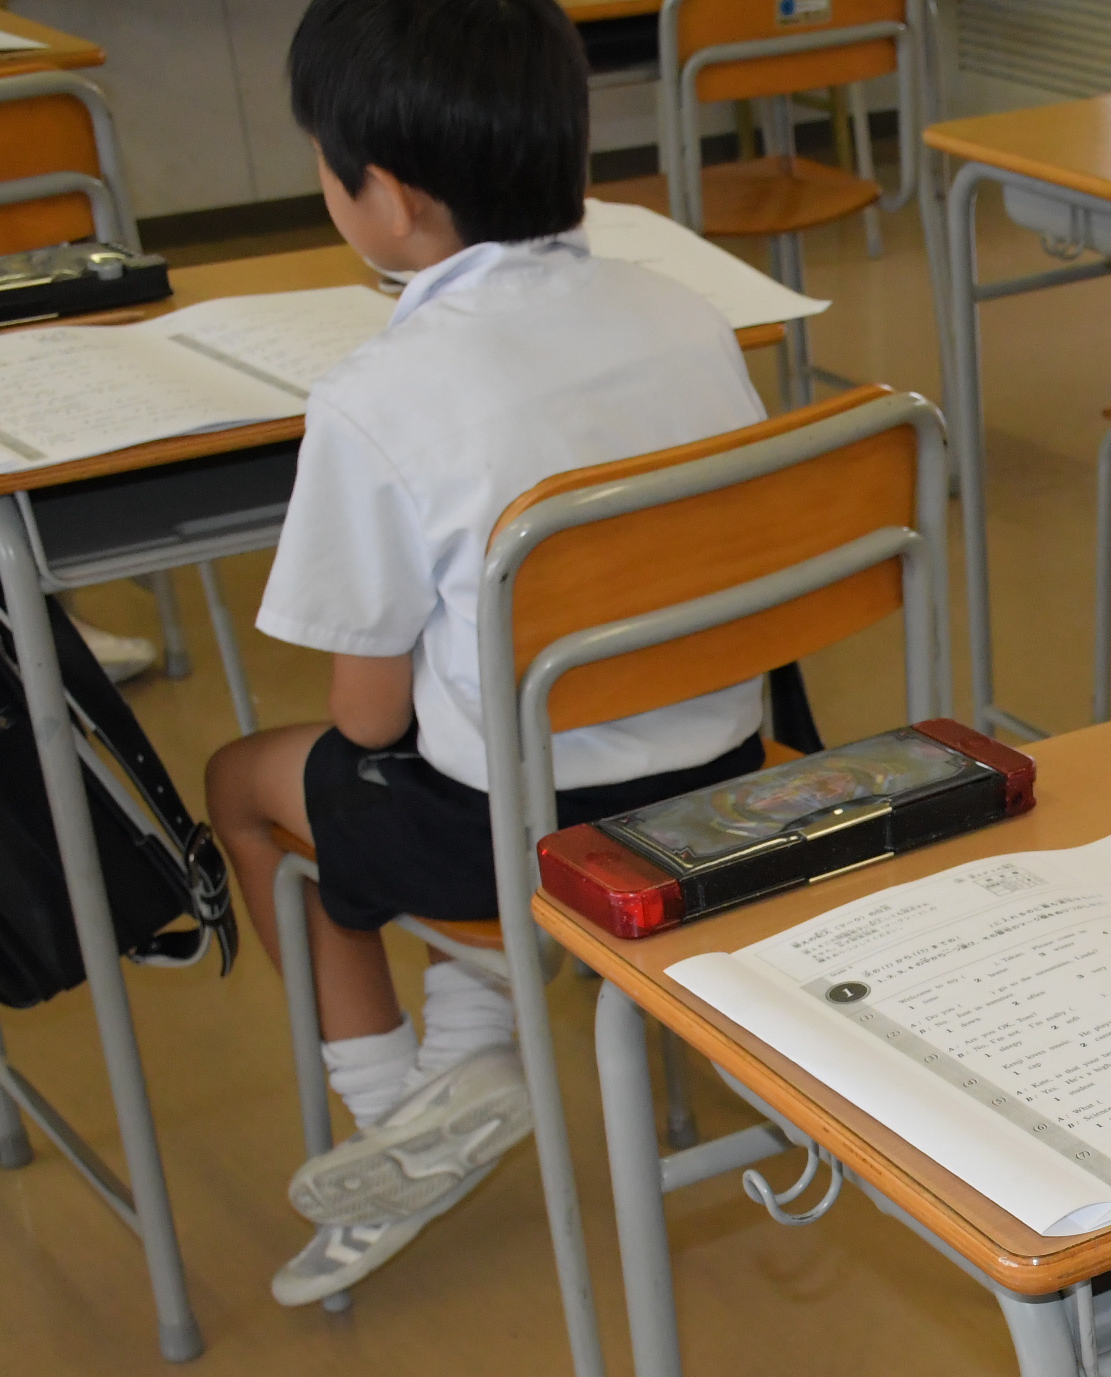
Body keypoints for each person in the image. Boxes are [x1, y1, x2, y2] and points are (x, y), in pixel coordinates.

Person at [205, 0, 768, 1308]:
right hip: (728, 781)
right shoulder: (685, 313)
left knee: (250, 782)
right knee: (465, 729)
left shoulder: (377, 395)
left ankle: (400, 1118)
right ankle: (471, 1053)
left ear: (389, 199)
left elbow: (366, 721)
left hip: (528, 841)